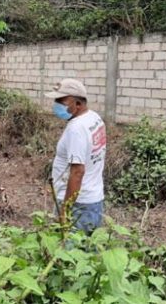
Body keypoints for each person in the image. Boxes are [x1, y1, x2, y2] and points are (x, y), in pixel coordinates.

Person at [46, 78, 106, 235]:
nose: (56, 104)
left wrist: (65, 209)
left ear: (78, 104)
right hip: (93, 200)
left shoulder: (76, 129)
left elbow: (78, 171)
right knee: (88, 254)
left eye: (62, 101)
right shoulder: (94, 118)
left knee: (70, 254)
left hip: (78, 205)